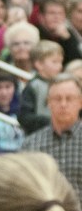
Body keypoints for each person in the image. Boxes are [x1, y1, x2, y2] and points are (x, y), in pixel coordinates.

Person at [21, 74, 82, 203]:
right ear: (48, 102)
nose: (63, 104)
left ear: (80, 102)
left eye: (69, 98)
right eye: (57, 99)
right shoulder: (31, 145)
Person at [18, 39, 64, 134]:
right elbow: (24, 117)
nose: (60, 66)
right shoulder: (33, 86)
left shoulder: (62, 85)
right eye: (54, 62)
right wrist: (50, 121)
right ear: (39, 64)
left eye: (61, 62)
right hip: (39, 136)